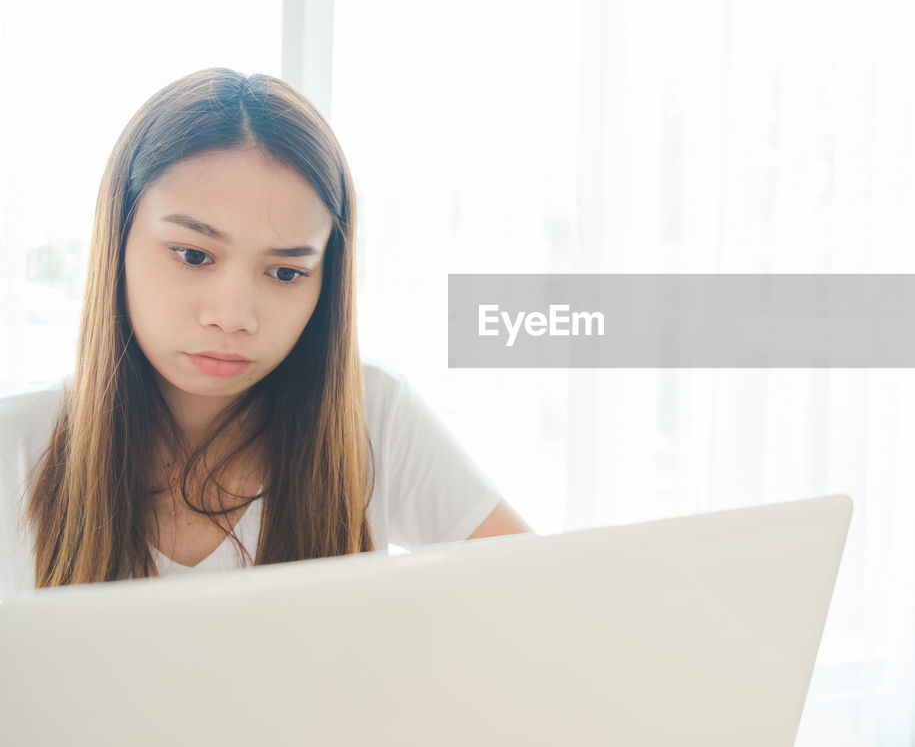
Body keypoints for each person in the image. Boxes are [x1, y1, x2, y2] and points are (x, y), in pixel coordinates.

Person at [0, 68, 529, 594]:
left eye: (286, 273)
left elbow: (546, 601)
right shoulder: (17, 446)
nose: (233, 317)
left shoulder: (374, 418)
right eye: (193, 255)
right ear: (117, 243)